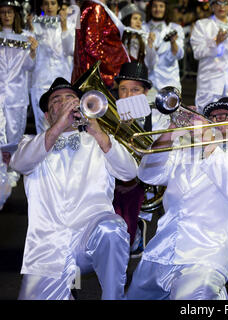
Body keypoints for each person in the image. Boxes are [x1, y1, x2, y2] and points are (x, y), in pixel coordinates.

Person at [126, 97, 228, 300]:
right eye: (211, 117)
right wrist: (172, 128)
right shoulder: (186, 151)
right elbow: (147, 174)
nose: (216, 119)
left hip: (204, 257)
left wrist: (207, 137)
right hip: (159, 252)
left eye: (225, 117)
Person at [10, 77, 138, 300]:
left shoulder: (99, 141)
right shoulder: (31, 143)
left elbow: (129, 173)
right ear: (48, 116)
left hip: (90, 239)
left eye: (71, 98)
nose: (66, 103)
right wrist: (58, 127)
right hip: (47, 249)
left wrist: (98, 133)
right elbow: (19, 163)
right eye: (57, 101)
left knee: (112, 228)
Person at [112, 60, 169, 256]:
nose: (128, 96)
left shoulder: (157, 116)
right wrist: (120, 128)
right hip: (113, 177)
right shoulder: (109, 113)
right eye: (123, 89)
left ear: (145, 93)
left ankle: (133, 232)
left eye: (135, 90)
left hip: (144, 179)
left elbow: (162, 154)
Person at [0, 0, 38, 188]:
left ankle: (13, 170)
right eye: (3, 12)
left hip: (16, 94)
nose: (6, 15)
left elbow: (29, 67)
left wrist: (32, 51)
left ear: (15, 14)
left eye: (10, 12)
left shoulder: (25, 36)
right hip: (0, 92)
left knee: (14, 134)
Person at [29, 0, 77, 134]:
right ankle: (45, 155)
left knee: (66, 122)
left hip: (62, 80)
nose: (49, 7)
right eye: (46, 3)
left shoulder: (70, 24)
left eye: (53, 3)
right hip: (40, 80)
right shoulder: (34, 24)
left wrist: (64, 27)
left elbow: (70, 50)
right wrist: (31, 31)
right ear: (41, 6)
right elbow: (31, 53)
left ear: (59, 6)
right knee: (42, 125)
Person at [71, 0, 130, 88]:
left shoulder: (91, 6)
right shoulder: (95, 8)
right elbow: (92, 47)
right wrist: (110, 76)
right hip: (100, 80)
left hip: (95, 77)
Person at [144, 0, 185, 101]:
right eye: (155, 6)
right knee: (148, 115)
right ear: (150, 8)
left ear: (166, 8)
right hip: (148, 82)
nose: (158, 9)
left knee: (170, 116)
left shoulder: (176, 28)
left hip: (170, 81)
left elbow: (179, 55)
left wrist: (173, 42)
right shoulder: (142, 27)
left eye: (161, 6)